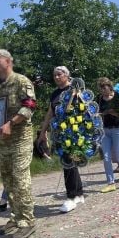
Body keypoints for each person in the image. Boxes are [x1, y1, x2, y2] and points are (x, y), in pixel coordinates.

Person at [0, 49, 37, 238]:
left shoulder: (21, 81)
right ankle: (15, 217)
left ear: (8, 61)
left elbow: (30, 106)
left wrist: (11, 123)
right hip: (3, 140)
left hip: (21, 137)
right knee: (8, 179)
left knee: (20, 178)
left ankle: (27, 221)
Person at [37, 66, 85, 213]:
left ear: (67, 75)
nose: (56, 77)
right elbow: (50, 113)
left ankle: (71, 198)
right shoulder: (55, 94)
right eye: (54, 75)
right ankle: (78, 193)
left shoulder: (75, 89)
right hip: (59, 132)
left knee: (68, 161)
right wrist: (42, 132)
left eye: (59, 74)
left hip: (73, 132)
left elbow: (84, 107)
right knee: (71, 161)